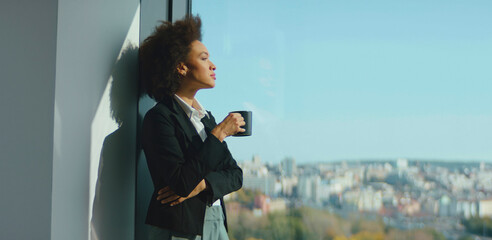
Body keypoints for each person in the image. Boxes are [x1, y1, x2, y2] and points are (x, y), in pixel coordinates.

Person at [139, 15, 244, 240]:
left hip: (216, 220)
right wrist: (219, 133)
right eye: (204, 58)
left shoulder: (205, 118)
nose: (213, 65)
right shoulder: (158, 119)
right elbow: (180, 183)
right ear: (182, 67)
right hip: (178, 229)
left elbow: (235, 175)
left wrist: (203, 184)